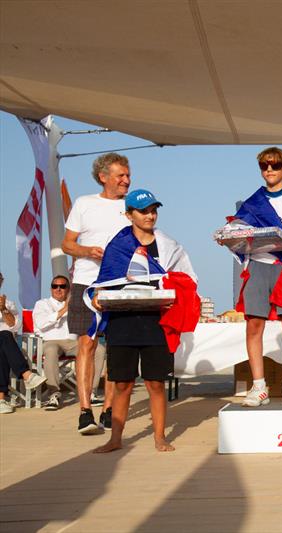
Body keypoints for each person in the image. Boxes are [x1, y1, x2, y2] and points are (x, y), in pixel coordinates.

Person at [90, 189, 199, 453]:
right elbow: (105, 281)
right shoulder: (117, 244)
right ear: (129, 215)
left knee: (155, 383)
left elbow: (186, 278)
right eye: (143, 211)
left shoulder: (168, 244)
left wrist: (175, 292)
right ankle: (115, 439)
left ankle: (160, 437)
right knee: (123, 384)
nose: (150, 215)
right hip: (122, 322)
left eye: (153, 210)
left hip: (155, 322)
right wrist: (96, 295)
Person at [220, 147, 282, 407]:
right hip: (258, 267)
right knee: (253, 326)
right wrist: (226, 239)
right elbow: (236, 232)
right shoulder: (252, 202)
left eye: (275, 165)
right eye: (264, 166)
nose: (269, 170)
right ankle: (259, 386)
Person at [62, 152, 131, 433]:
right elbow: (67, 244)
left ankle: (108, 409)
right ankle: (84, 410)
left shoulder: (133, 206)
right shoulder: (84, 204)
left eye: (128, 175)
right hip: (86, 282)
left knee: (116, 347)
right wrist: (88, 251)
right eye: (121, 175)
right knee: (86, 345)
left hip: (122, 284)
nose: (127, 180)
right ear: (104, 177)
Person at [32, 275, 106, 410]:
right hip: (51, 341)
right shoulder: (42, 304)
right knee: (51, 350)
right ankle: (54, 393)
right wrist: (64, 310)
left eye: (62, 286)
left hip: (73, 342)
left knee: (99, 349)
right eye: (55, 286)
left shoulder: (77, 305)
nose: (58, 289)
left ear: (68, 289)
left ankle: (91, 392)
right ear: (51, 289)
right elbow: (41, 324)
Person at [0, 272, 47, 414]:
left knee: (4, 337)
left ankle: (1, 400)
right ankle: (27, 375)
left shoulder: (8, 304)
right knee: (4, 338)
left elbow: (15, 326)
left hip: (4, 342)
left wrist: (3, 309)